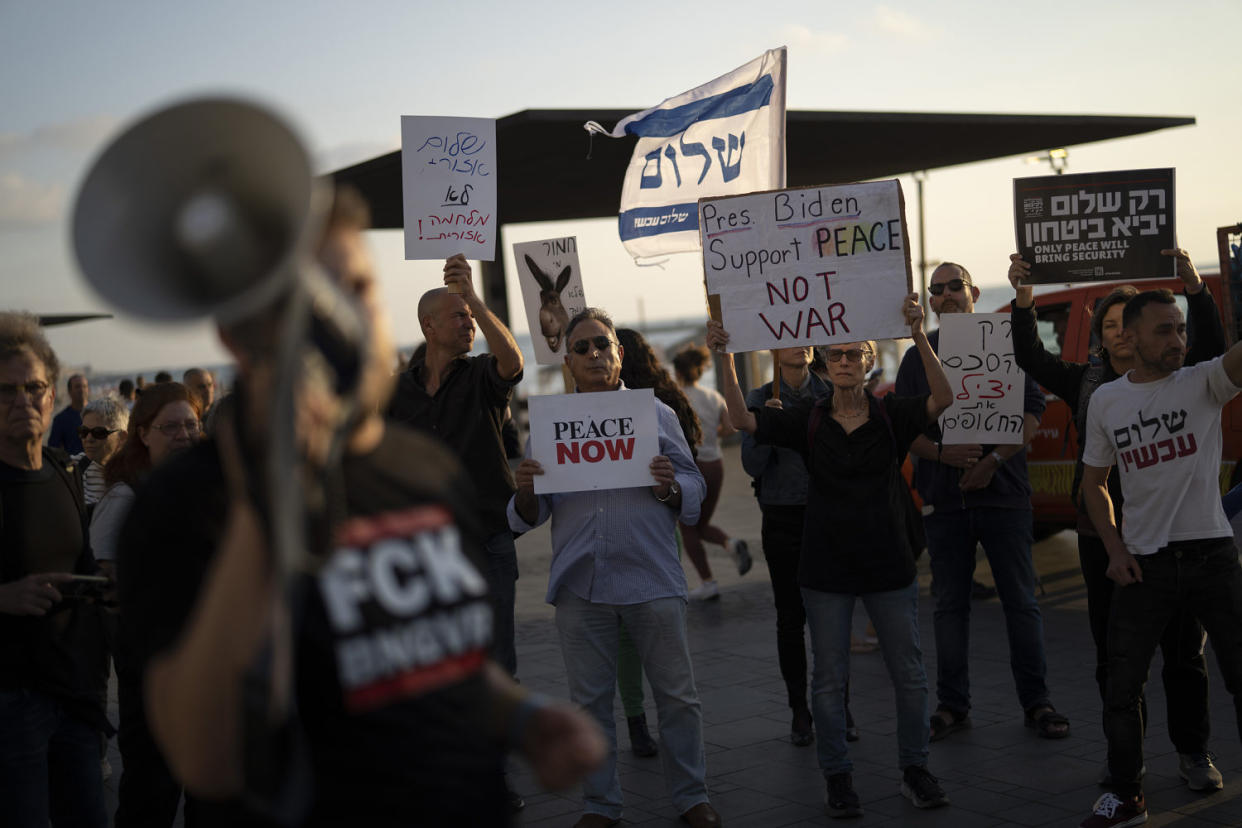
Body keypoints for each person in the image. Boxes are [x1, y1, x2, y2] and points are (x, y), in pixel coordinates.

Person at [125, 187, 601, 826]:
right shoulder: (182, 504)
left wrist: (523, 718)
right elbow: (206, 759)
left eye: (358, 288)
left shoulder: (421, 471)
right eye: (313, 301)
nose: (344, 319)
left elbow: (429, 653)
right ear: (241, 335)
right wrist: (271, 491)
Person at [710, 293, 953, 817]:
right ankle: (837, 778)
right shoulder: (807, 418)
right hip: (826, 570)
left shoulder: (892, 414)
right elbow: (740, 421)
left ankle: (915, 769)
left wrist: (917, 335)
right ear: (824, 363)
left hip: (888, 565)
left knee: (909, 674)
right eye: (835, 356)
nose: (844, 363)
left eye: (853, 355)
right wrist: (725, 358)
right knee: (828, 678)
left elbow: (943, 397)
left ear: (869, 361)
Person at [1010, 248, 1225, 790]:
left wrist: (1195, 289)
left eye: (1127, 325)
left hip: (1176, 542)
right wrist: (1024, 296)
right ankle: (1124, 760)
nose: (1121, 336)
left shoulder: (1186, 379)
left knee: (1184, 658)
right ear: (1104, 336)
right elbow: (1031, 356)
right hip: (1105, 541)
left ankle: (1193, 752)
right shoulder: (1090, 387)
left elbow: (1215, 350)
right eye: (1108, 326)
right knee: (1117, 662)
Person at [510, 308, 720, 828]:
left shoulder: (658, 416)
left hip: (652, 579)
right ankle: (601, 806)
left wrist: (670, 485)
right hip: (582, 586)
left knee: (677, 698)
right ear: (568, 361)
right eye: (581, 348)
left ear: (620, 353)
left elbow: (693, 490)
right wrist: (526, 493)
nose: (594, 354)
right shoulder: (551, 427)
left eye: (602, 344)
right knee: (590, 704)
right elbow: (524, 519)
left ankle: (692, 798)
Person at [1078, 288, 1242, 827]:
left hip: (1212, 557)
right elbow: (1094, 484)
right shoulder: (1107, 400)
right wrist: (1115, 547)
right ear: (1130, 336)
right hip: (1143, 565)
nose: (1177, 340)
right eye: (1164, 330)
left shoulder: (1204, 382)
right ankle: (1128, 798)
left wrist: (1198, 290)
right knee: (1122, 687)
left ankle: (1195, 754)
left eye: (1180, 328)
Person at [894, 262, 1068, 742]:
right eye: (937, 290)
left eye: (954, 286)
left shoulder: (1008, 342)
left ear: (972, 292)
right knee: (950, 605)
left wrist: (993, 460)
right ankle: (953, 705)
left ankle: (1038, 702)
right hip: (944, 504)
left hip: (1005, 497)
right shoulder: (917, 357)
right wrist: (943, 454)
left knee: (1022, 602)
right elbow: (903, 430)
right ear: (930, 302)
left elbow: (1034, 411)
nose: (946, 295)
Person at [386, 254, 525, 680]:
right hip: (428, 547)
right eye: (459, 317)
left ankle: (500, 744)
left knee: (498, 658)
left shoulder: (480, 375)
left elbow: (514, 364)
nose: (468, 323)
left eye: (470, 317)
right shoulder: (396, 393)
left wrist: (474, 299)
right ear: (428, 327)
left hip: (487, 539)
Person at [0, 311, 111, 827]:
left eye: (33, 387)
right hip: (11, 707)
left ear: (52, 396)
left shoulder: (64, 471)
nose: (22, 400)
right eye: (5, 391)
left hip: (77, 699)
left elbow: (84, 566)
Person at [92, 382, 202, 827]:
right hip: (152, 676)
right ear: (142, 433)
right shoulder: (124, 497)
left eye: (191, 424)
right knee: (150, 797)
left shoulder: (204, 484)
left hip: (201, 667)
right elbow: (107, 582)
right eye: (170, 426)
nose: (184, 434)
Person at [739, 345, 830, 746]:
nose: (801, 342)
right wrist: (768, 429)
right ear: (773, 347)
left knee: (832, 616)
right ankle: (800, 710)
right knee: (791, 618)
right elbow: (751, 465)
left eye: (808, 334)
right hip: (781, 518)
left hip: (828, 517)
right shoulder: (758, 399)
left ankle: (837, 707)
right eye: (790, 335)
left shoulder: (830, 393)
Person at [673, 343, 752, 599]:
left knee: (687, 527)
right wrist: (711, 436)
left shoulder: (675, 398)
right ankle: (730, 544)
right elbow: (731, 428)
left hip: (691, 467)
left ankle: (708, 582)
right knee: (701, 523)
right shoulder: (712, 396)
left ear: (679, 372)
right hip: (715, 465)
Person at [74, 396, 129, 516]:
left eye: (98, 432)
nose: (88, 439)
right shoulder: (72, 468)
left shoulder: (135, 475)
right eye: (84, 432)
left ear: (122, 437)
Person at [48, 372, 89, 454]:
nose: (81, 390)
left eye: (84, 386)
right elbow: (53, 449)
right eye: (77, 387)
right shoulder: (60, 420)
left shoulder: (99, 415)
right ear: (69, 391)